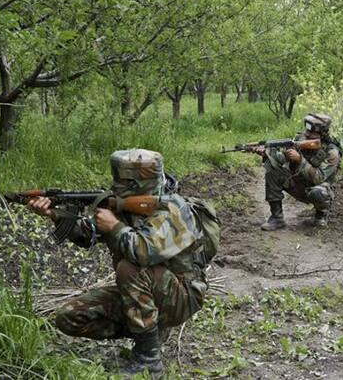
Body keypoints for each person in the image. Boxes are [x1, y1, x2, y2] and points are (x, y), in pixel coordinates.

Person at [26, 149, 210, 374]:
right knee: (70, 317)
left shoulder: (174, 209)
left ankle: (149, 359)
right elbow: (86, 234)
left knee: (129, 268)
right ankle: (150, 329)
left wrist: (114, 226)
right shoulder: (122, 205)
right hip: (149, 294)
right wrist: (54, 215)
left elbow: (144, 252)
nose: (115, 187)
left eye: (122, 183)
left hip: (181, 297)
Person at [256, 113, 342, 230]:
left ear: (322, 133)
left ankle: (321, 215)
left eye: (311, 132)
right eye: (307, 130)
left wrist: (300, 159)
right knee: (272, 171)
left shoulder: (332, 152)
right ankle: (277, 218)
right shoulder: (300, 140)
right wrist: (266, 154)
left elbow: (319, 178)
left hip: (316, 189)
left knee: (319, 192)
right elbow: (282, 159)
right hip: (298, 183)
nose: (307, 134)